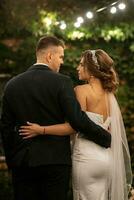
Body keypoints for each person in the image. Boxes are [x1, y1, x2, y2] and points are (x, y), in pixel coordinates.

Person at [0, 36, 111, 200]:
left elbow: (5, 127)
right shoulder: (62, 82)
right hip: (55, 162)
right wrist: (105, 137)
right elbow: (77, 119)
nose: (61, 62)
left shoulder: (12, 84)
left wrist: (13, 160)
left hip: (22, 162)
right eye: (60, 57)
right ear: (49, 56)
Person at [19, 49, 133, 200]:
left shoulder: (81, 90)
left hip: (86, 160)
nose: (77, 68)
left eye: (81, 65)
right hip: (107, 160)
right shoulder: (109, 95)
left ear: (92, 71)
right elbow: (110, 130)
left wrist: (41, 130)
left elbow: (74, 126)